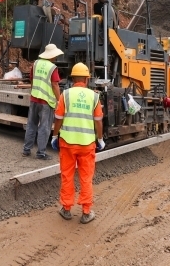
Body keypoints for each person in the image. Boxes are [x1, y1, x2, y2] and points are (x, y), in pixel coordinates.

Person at [51, 63, 104, 224]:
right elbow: (98, 122)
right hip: (87, 145)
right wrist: (100, 139)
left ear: (73, 78)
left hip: (67, 143)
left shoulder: (65, 95)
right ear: (87, 79)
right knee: (86, 177)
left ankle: (66, 209)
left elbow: (58, 119)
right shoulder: (94, 96)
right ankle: (86, 212)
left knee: (67, 176)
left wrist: (54, 136)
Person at [23, 43, 63, 159]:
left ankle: (26, 150)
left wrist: (33, 91)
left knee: (31, 125)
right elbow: (55, 85)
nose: (55, 57)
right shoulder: (52, 67)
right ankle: (41, 153)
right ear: (51, 56)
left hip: (34, 99)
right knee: (44, 127)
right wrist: (59, 100)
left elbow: (32, 79)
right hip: (46, 102)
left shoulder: (35, 63)